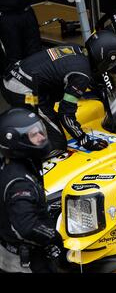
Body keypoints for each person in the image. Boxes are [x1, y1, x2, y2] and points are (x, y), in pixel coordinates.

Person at [0, 30, 116, 157]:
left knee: (48, 108)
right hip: (25, 93)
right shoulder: (82, 75)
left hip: (13, 78)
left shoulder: (75, 48)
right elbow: (65, 113)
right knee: (57, 144)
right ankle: (17, 158)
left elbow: (61, 71)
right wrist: (84, 140)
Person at [0, 107, 64, 273]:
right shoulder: (19, 182)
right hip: (24, 262)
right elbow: (27, 227)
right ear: (16, 141)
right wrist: (54, 238)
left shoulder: (17, 162)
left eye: (40, 131)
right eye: (34, 135)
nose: (42, 137)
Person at [0, 0, 65, 67]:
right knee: (15, 57)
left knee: (36, 53)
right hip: (7, 19)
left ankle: (38, 80)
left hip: (27, 13)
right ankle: (16, 80)